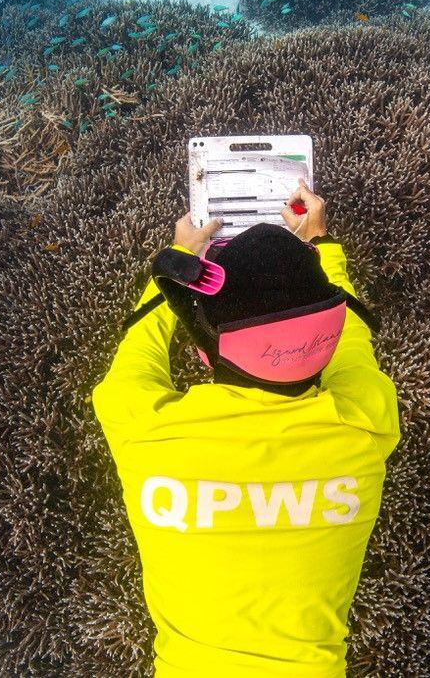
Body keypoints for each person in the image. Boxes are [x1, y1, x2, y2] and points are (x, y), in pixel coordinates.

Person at [92, 179, 400, 677]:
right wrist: (320, 245)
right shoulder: (366, 420)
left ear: (199, 350)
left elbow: (136, 356)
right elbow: (352, 341)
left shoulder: (143, 429)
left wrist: (174, 263)